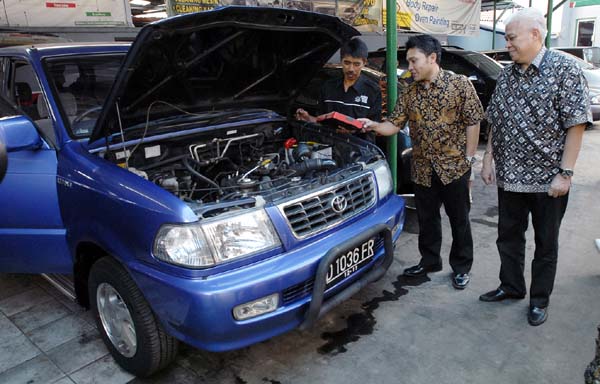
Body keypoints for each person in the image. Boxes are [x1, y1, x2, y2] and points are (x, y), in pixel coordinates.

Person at [479, 8, 592, 326]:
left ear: (535, 35)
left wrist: (565, 173)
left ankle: (539, 300)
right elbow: (497, 120)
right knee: (508, 237)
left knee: (546, 243)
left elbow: (576, 125)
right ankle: (511, 286)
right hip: (510, 178)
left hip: (548, 181)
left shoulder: (565, 69)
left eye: (512, 38)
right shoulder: (506, 74)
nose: (508, 44)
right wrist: (488, 158)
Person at [359, 34, 484, 289]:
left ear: (432, 58)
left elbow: (474, 120)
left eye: (414, 61)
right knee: (427, 220)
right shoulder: (410, 91)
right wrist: (373, 125)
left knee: (459, 219)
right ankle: (429, 261)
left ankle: (461, 267)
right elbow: (394, 124)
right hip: (423, 168)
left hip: (454, 168)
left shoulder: (459, 85)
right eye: (408, 61)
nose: (410, 67)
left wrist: (469, 160)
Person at [295, 37, 381, 142]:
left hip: (360, 151)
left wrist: (353, 131)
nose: (351, 69)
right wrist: (308, 118)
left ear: (364, 62)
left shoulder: (373, 91)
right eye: (347, 63)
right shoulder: (328, 87)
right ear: (341, 61)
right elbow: (321, 121)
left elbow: (374, 127)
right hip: (330, 148)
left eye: (356, 64)